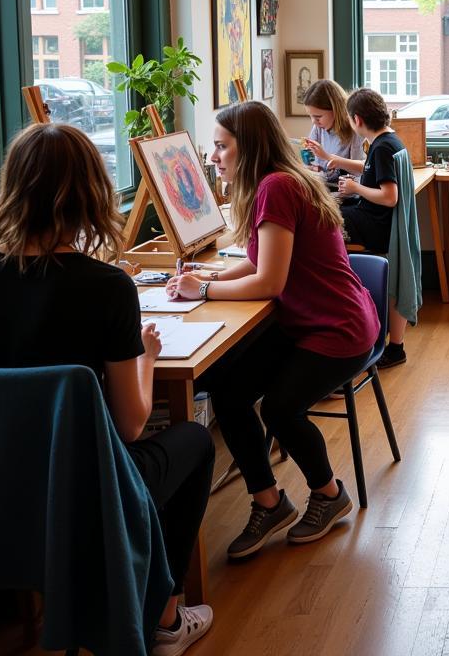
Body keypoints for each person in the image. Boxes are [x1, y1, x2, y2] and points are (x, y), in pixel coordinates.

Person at [0, 123, 214, 656]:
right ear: (91, 192)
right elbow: (129, 425)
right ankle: (167, 620)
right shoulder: (106, 288)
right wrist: (147, 360)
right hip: (86, 491)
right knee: (195, 444)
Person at [166, 101, 378, 559]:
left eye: (222, 147)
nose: (215, 156)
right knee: (229, 389)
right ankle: (268, 501)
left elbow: (269, 282)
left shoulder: (277, 187)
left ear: (250, 146)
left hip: (337, 328)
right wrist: (209, 279)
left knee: (281, 408)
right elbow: (260, 260)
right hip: (309, 320)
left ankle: (327, 494)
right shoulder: (275, 182)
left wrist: (201, 294)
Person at [337, 87, 410, 368]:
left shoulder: (381, 148)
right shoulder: (390, 141)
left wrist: (355, 187)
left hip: (376, 228)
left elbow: (389, 197)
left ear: (357, 120)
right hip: (375, 220)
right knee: (334, 208)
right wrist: (355, 187)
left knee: (320, 217)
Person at [302, 79, 366, 189]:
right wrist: (311, 167)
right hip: (323, 186)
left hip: (346, 192)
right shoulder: (318, 128)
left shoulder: (355, 130)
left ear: (336, 109)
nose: (314, 121)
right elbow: (314, 165)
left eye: (318, 117)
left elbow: (359, 171)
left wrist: (327, 158)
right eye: (310, 116)